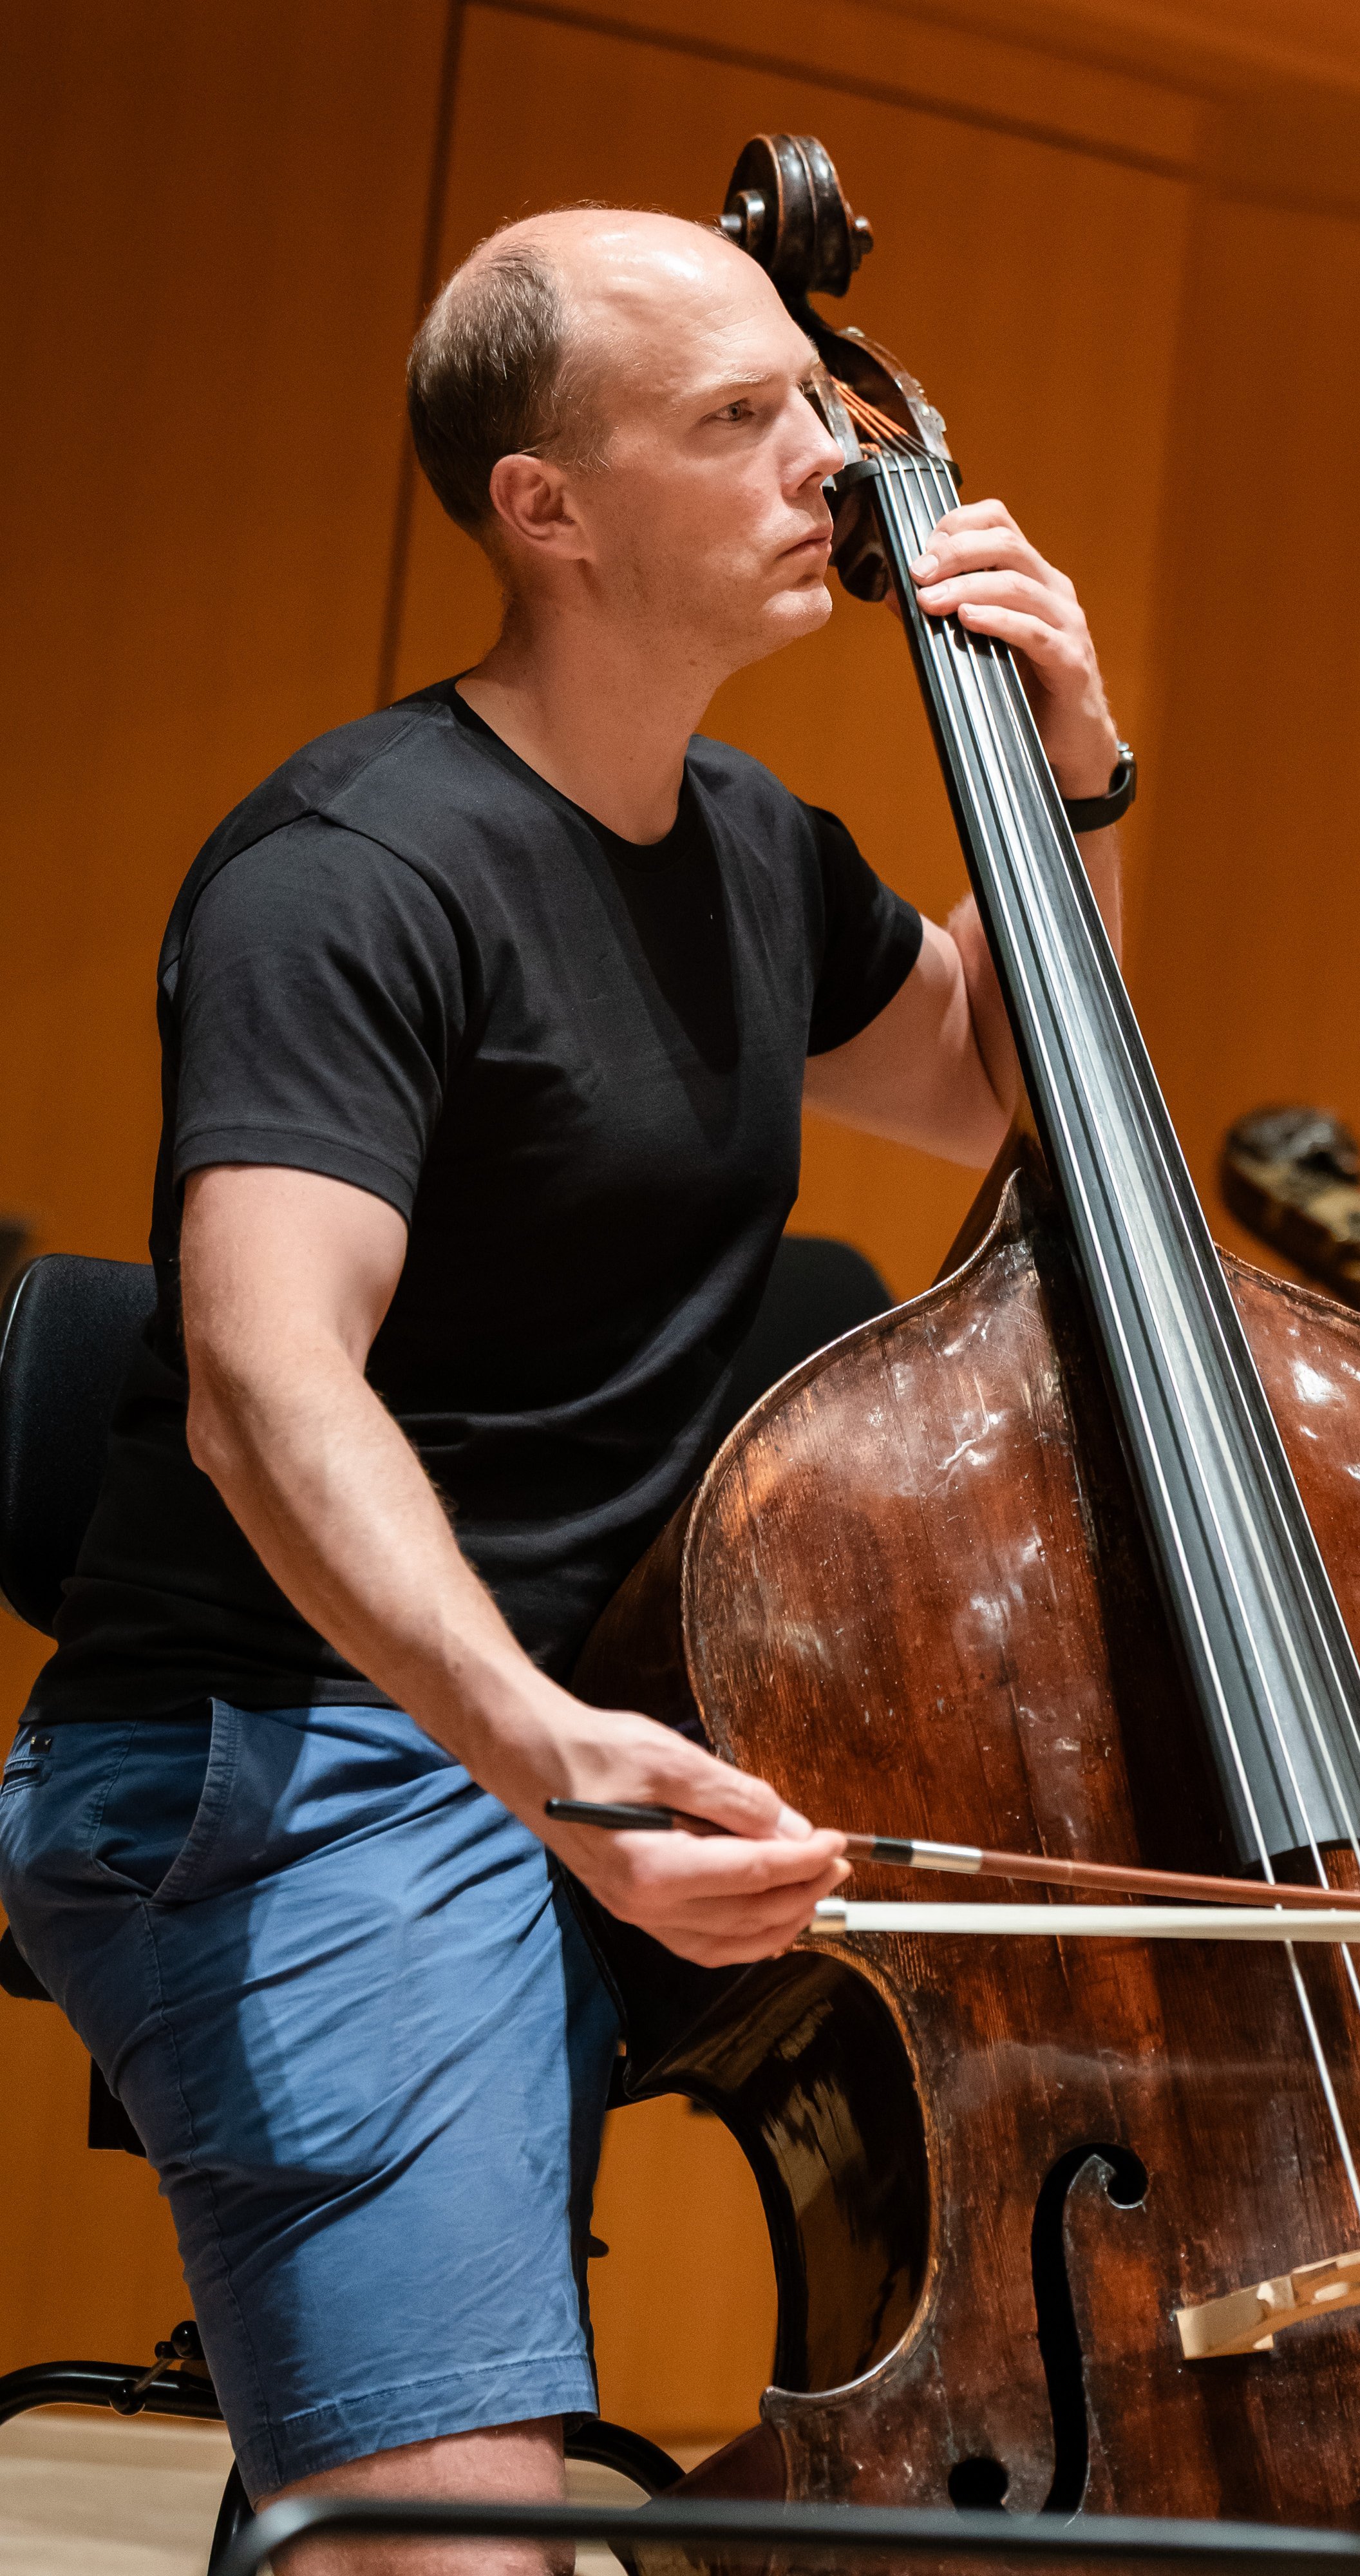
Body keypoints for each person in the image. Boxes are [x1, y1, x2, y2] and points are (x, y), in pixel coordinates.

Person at [0, 207, 1124, 2567]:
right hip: (296, 1759)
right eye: (736, 418)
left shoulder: (751, 849)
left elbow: (1012, 1093)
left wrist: (1071, 792)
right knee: (458, 2551)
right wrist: (540, 1753)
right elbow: (259, 1377)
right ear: (549, 507)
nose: (827, 461)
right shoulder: (353, 868)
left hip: (584, 1743)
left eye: (814, 401)